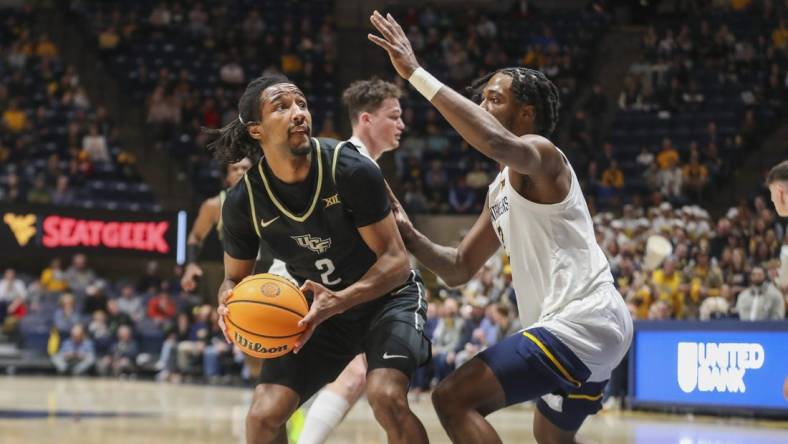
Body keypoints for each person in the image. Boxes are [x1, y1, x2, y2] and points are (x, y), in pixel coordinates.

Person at [369, 12, 633, 444]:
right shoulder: (499, 192)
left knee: (453, 399)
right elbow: (457, 268)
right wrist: (409, 234)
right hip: (589, 329)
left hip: (583, 319)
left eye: (494, 100)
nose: (482, 107)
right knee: (550, 439)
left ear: (526, 113)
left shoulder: (543, 155)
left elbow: (494, 141)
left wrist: (415, 73)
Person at [211, 74, 429, 444]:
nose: (298, 113)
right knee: (263, 416)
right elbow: (234, 279)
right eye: (281, 107)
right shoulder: (242, 202)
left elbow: (396, 263)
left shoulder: (350, 170)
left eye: (301, 104)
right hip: (319, 313)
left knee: (386, 395)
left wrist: (340, 300)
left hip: (388, 300)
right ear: (256, 131)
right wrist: (226, 301)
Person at [299, 78, 405, 444]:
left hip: (336, 285)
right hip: (319, 282)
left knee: (353, 376)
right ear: (366, 120)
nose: (401, 125)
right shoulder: (349, 165)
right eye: (393, 116)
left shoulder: (359, 165)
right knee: (355, 375)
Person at [181, 158, 253, 292]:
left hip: (266, 268)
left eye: (245, 168)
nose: (240, 172)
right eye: (234, 169)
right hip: (234, 273)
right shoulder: (214, 205)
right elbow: (195, 236)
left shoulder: (267, 199)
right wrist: (190, 264)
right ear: (227, 177)